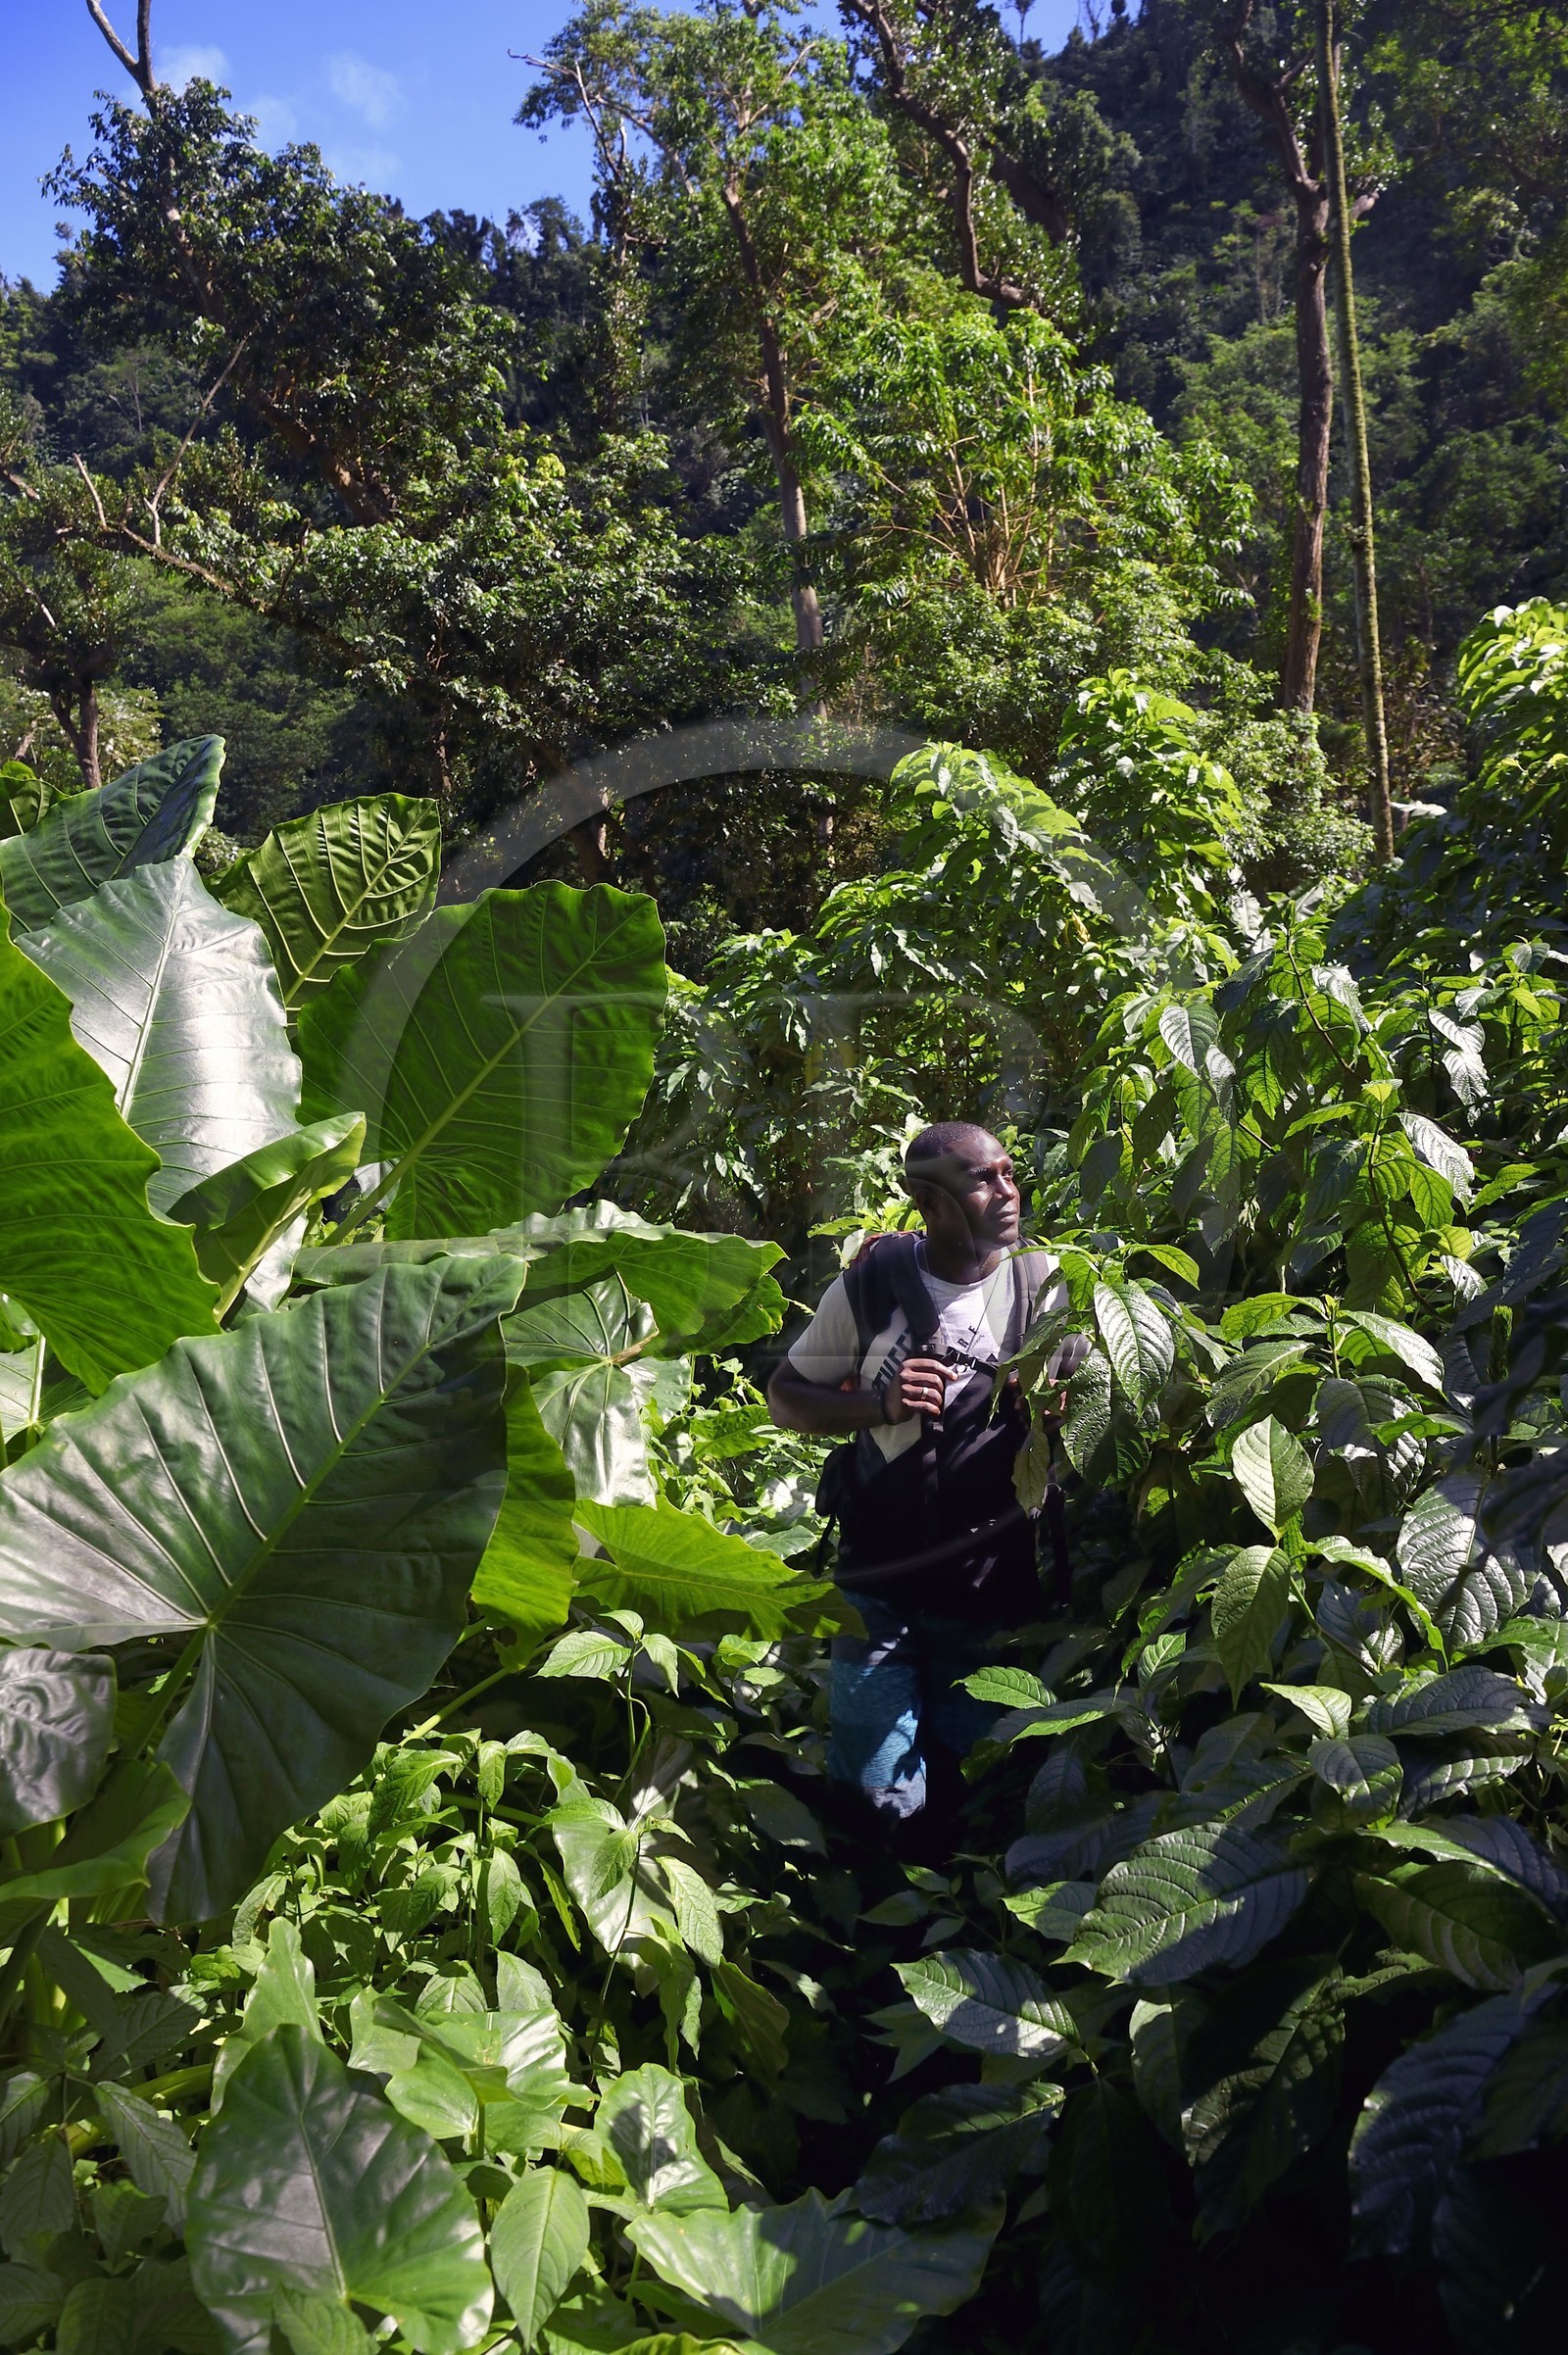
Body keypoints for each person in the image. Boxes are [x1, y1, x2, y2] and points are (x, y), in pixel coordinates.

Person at [766, 1122, 1073, 1848]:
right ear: (930, 1203)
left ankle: (963, 1942)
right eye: (982, 1180)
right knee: (878, 1803)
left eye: (1008, 1172)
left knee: (976, 1796)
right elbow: (785, 1395)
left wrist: (1063, 1406)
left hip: (992, 1595)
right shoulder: (873, 1285)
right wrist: (881, 1403)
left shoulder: (1045, 1282)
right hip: (878, 1590)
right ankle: (873, 1942)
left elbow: (1094, 1404)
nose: (1007, 1191)